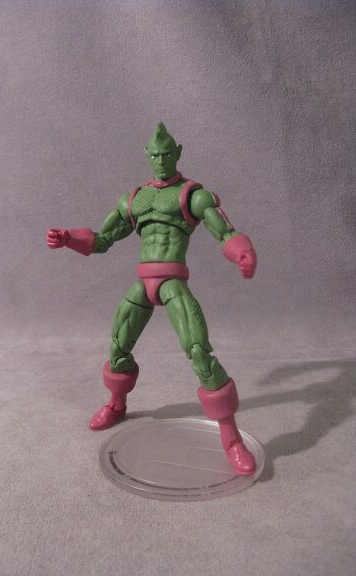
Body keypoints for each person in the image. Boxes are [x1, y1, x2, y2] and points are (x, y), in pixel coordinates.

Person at [47, 123, 258, 475]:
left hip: (172, 282)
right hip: (142, 282)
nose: (161, 160)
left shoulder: (192, 195)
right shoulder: (135, 199)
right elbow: (102, 240)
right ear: (147, 156)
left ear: (178, 153)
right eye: (155, 155)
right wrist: (68, 238)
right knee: (118, 345)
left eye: (167, 154)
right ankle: (116, 405)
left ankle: (232, 440)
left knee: (199, 352)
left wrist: (242, 254)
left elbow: (225, 231)